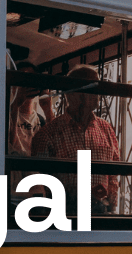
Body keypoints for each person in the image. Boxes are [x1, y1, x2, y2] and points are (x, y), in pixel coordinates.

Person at [31, 63, 120, 213]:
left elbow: (113, 174)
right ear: (71, 94)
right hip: (65, 215)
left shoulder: (106, 129)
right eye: (91, 87)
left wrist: (111, 206)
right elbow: (41, 184)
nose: (97, 93)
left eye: (97, 87)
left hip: (101, 215)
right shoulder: (48, 134)